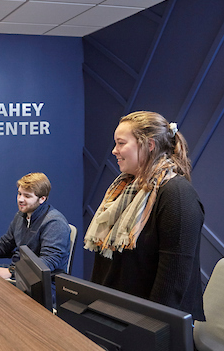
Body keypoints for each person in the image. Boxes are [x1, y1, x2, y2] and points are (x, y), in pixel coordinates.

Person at [84, 111, 205, 321]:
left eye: (121, 143)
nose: (114, 151)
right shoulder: (125, 188)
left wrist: (144, 330)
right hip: (116, 313)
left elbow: (171, 286)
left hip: (151, 326)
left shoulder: (177, 196)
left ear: (149, 145)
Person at [0, 172, 71, 280]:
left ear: (42, 199)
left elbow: (48, 262)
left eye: (27, 196)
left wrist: (11, 272)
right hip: (20, 276)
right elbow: (5, 244)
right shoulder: (21, 216)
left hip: (42, 283)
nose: (20, 199)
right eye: (19, 193)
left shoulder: (55, 222)